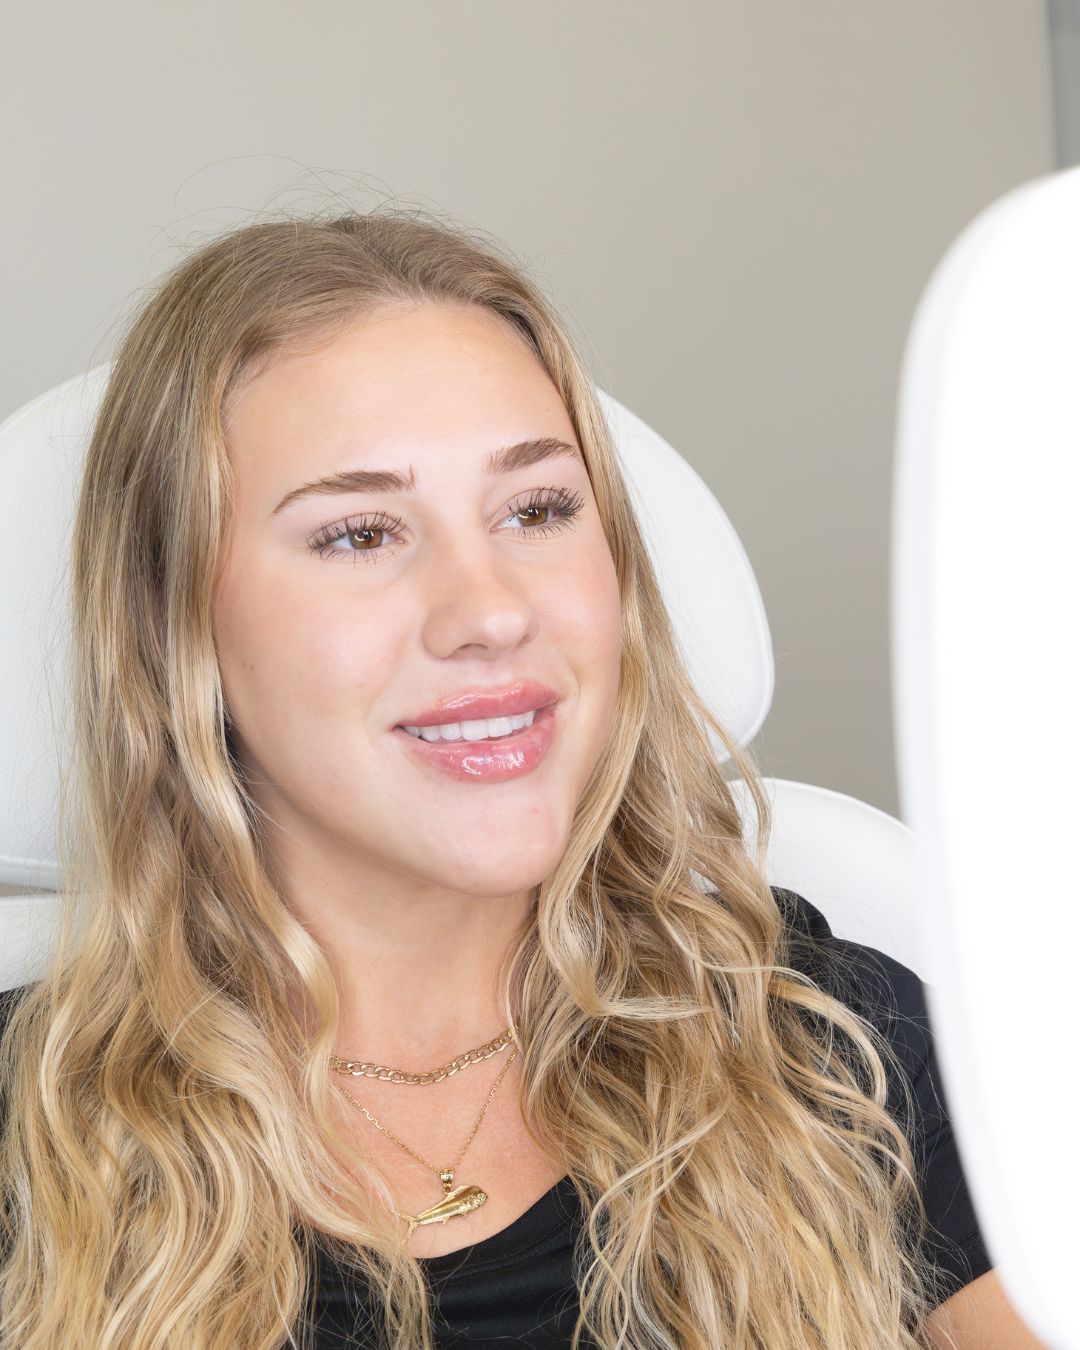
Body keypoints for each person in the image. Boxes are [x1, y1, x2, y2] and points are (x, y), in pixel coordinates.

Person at [0, 206, 1038, 1349]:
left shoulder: (841, 1054)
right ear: (173, 623)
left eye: (538, 509)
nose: (492, 610)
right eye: (360, 534)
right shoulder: (26, 1138)